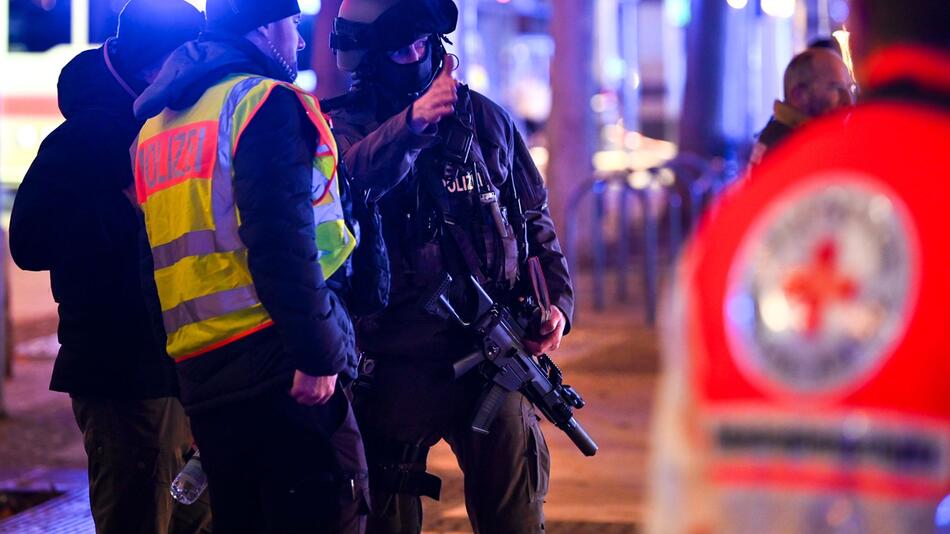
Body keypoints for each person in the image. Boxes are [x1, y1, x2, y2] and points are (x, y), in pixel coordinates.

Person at [648, 0, 950, 532]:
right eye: (834, 88)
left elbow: (683, 505)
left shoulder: (735, 230)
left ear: (858, 23)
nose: (846, 95)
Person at [325, 1, 574, 532]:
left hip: (489, 357)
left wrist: (556, 306)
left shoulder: (485, 119)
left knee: (516, 515)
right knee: (383, 519)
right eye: (398, 47)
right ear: (368, 55)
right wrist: (411, 126)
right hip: (391, 363)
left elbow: (532, 217)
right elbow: (348, 189)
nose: (415, 56)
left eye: (422, 42)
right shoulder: (340, 128)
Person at [130, 0, 370, 531]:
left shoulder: (157, 127)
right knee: (331, 508)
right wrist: (318, 352)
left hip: (205, 378)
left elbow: (151, 270)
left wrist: (183, 383)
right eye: (291, 25)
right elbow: (282, 241)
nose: (299, 41)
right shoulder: (261, 104)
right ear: (264, 28)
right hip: (280, 368)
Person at [8, 2, 211, 532]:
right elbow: (29, 241)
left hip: (178, 369)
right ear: (152, 68)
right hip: (124, 376)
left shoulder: (163, 121)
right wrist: (125, 203)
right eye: (188, 59)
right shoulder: (92, 133)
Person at [749, 46, 855, 165]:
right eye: (835, 88)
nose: (849, 101)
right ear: (798, 96)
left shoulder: (781, 137)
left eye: (850, 88)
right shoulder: (789, 150)